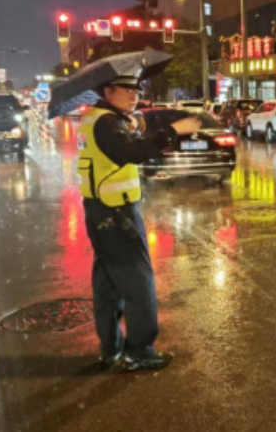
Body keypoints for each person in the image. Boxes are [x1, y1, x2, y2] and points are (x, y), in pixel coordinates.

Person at [77, 75, 200, 371]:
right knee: (138, 280)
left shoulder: (96, 118)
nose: (134, 95)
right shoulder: (106, 122)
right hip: (116, 213)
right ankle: (139, 351)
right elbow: (128, 153)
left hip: (100, 209)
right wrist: (173, 129)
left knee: (108, 282)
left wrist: (136, 130)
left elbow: (124, 150)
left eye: (136, 89)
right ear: (108, 90)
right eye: (127, 89)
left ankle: (111, 347)